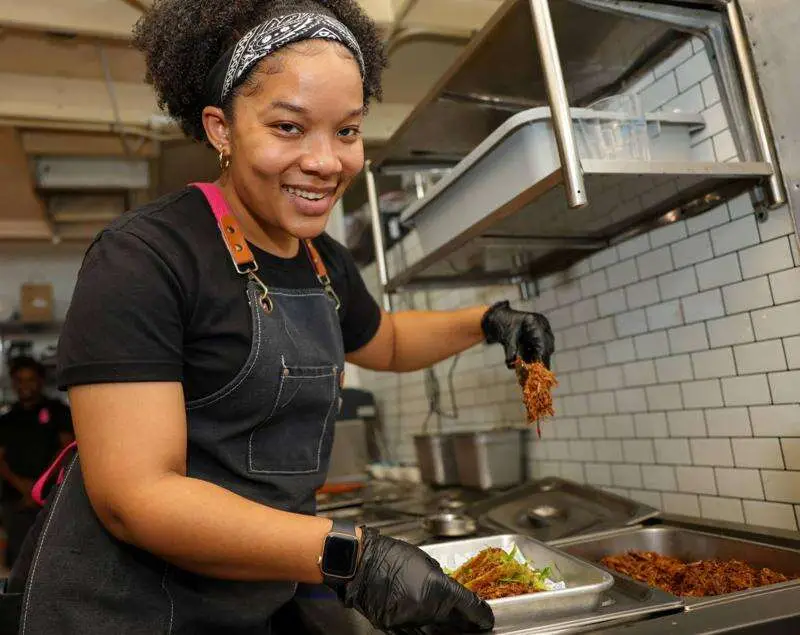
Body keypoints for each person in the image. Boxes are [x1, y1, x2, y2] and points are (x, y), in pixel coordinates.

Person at [2, 1, 555, 633]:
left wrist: (489, 321)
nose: (326, 161)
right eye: (289, 127)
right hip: (119, 612)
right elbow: (137, 496)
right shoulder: (145, 258)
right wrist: (356, 559)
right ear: (221, 129)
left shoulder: (323, 261)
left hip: (245, 599)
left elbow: (387, 341)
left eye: (347, 131)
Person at [0, 357, 72, 569]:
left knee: (52, 559)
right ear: (13, 383)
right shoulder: (6, 419)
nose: (25, 385)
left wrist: (40, 485)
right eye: (20, 380)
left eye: (30, 379)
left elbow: (66, 449)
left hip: (52, 497)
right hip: (16, 500)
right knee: (18, 562)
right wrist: (23, 487)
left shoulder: (58, 412)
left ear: (41, 381)